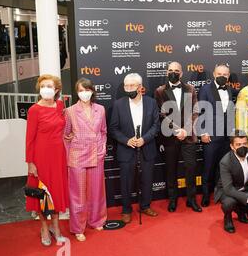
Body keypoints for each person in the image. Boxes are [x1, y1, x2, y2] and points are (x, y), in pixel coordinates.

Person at [109, 73, 160, 224]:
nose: (128, 88)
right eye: (126, 86)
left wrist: (144, 139)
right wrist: (126, 140)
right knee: (126, 182)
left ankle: (145, 206)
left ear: (140, 87)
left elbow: (156, 125)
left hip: (147, 148)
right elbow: (113, 129)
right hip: (126, 150)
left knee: (147, 180)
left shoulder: (151, 103)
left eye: (132, 86)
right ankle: (126, 210)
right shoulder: (118, 105)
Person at [25, 74, 69, 246]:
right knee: (43, 194)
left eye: (49, 86)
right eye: (43, 86)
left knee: (56, 193)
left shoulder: (59, 105)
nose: (45, 89)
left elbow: (61, 126)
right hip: (41, 157)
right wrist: (30, 162)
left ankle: (56, 228)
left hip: (58, 156)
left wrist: (69, 134)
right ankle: (44, 228)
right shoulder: (34, 110)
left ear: (56, 89)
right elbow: (29, 139)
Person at [154, 62, 201, 213]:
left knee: (191, 168)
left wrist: (185, 130)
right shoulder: (160, 91)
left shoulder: (190, 89)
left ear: (181, 73)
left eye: (176, 71)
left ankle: (191, 200)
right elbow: (161, 115)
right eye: (170, 70)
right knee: (171, 170)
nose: (173, 73)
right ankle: (172, 200)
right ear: (166, 72)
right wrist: (176, 130)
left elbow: (195, 111)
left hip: (188, 136)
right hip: (170, 136)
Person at [64, 78, 107, 241]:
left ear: (92, 91)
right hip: (77, 157)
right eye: (81, 90)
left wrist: (102, 149)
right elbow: (66, 135)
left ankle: (96, 220)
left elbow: (103, 131)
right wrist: (71, 153)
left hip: (96, 154)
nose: (84, 93)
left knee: (97, 191)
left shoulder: (100, 109)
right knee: (78, 194)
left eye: (87, 90)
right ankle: (78, 227)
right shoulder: (70, 111)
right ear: (77, 92)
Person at [197, 63, 235, 207]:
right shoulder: (205, 89)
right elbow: (200, 112)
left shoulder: (230, 89)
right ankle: (206, 196)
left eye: (225, 74)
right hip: (211, 135)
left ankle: (220, 194)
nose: (222, 76)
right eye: (219, 74)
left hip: (226, 137)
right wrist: (202, 133)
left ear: (228, 75)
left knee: (223, 167)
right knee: (208, 167)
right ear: (214, 74)